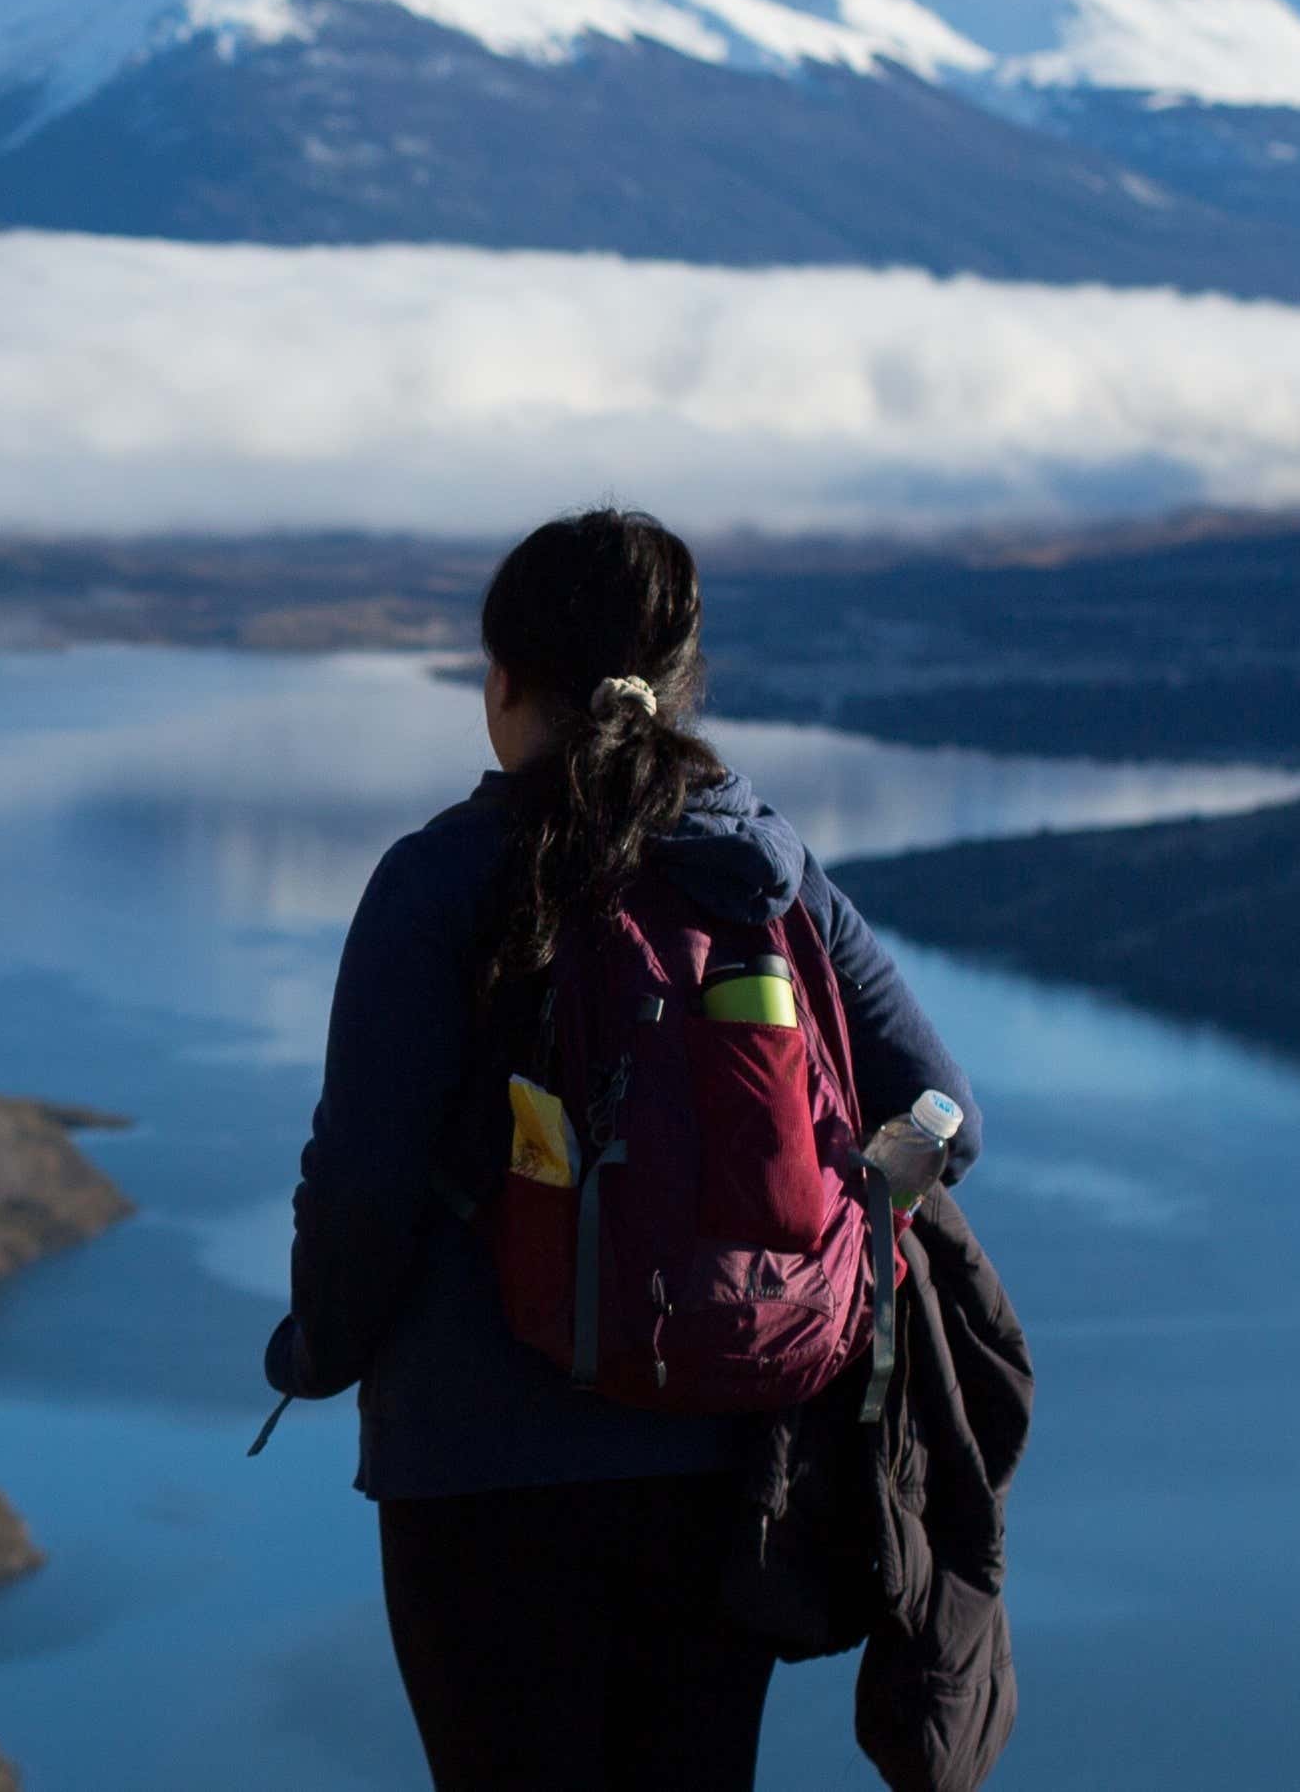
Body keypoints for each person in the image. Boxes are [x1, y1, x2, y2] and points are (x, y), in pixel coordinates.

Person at [268, 507, 981, 1791]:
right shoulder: (764, 874)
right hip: (729, 1463)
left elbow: (363, 1185)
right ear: (678, 683)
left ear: (503, 684)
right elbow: (943, 1113)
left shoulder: (437, 879)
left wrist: (317, 1349)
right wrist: (817, 1243)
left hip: (478, 1465)